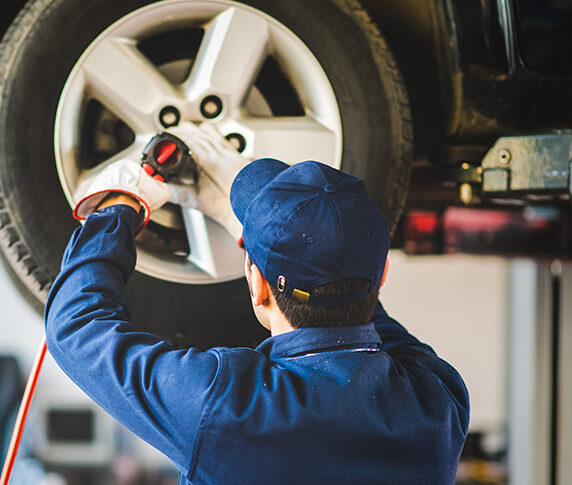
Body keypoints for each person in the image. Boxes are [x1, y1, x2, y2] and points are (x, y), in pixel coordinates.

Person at [44, 123, 469, 484]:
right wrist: (258, 244)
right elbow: (360, 313)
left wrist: (122, 205)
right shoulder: (439, 401)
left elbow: (77, 329)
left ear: (258, 285)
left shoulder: (225, 406)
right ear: (382, 276)